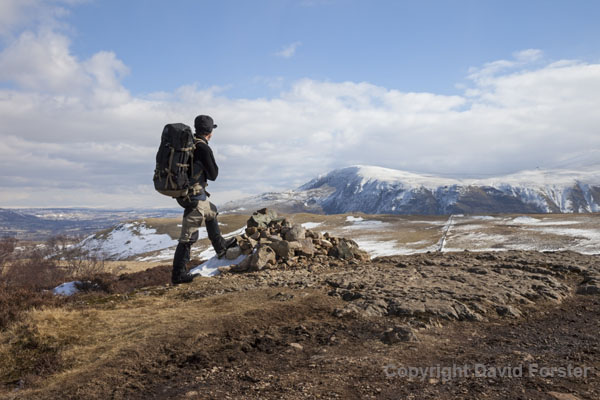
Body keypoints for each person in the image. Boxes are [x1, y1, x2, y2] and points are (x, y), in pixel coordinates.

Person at [171, 115, 237, 284]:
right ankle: (178, 275)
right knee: (187, 238)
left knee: (212, 211)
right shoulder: (203, 148)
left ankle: (220, 246)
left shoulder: (188, 144)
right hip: (195, 196)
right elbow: (214, 174)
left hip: (188, 194)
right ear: (210, 132)